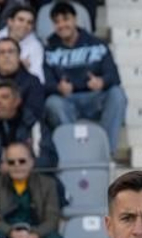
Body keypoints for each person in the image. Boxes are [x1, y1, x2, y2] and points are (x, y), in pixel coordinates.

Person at [41, 1, 127, 153]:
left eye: (65, 19)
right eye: (57, 22)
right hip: (67, 101)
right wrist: (57, 88)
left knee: (117, 94)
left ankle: (105, 150)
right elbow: (45, 83)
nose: (62, 25)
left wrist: (102, 82)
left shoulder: (97, 44)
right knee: (52, 103)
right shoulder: (48, 50)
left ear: (75, 19)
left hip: (95, 97)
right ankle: (73, 150)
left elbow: (114, 76)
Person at [0, 143, 65, 238]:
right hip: (7, 237)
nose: (17, 166)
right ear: (5, 165)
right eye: (11, 162)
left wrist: (33, 236)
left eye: (22, 161)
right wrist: (12, 233)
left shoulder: (48, 184)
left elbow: (52, 219)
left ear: (31, 162)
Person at [0, 80, 56, 168]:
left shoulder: (33, 124)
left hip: (32, 177)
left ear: (17, 101)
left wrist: (28, 164)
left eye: (4, 97)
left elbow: (50, 158)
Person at [0, 36, 47, 128]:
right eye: (2, 52)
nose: (6, 56)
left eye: (11, 51)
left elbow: (35, 113)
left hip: (23, 135)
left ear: (19, 56)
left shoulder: (33, 82)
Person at [0, 2, 44, 80]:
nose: (25, 25)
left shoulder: (36, 45)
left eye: (29, 22)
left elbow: (39, 79)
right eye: (21, 20)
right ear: (10, 22)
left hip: (23, 88)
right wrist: (19, 66)